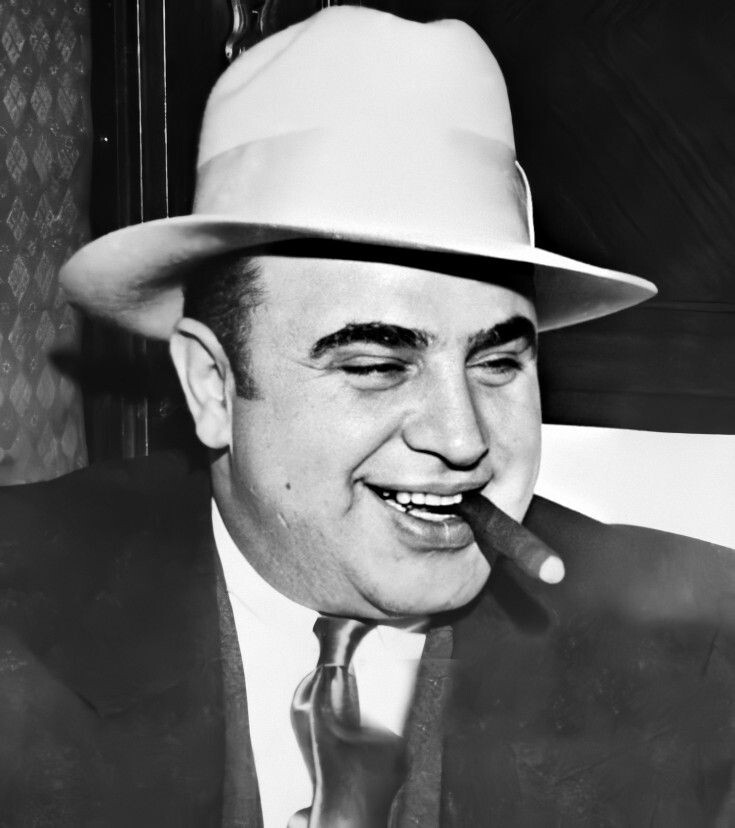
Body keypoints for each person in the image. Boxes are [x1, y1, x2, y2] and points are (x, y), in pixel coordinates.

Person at [2, 6, 735, 826]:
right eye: (376, 367)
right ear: (211, 386)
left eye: (497, 363)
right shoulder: (17, 606)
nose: (462, 439)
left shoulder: (708, 655)